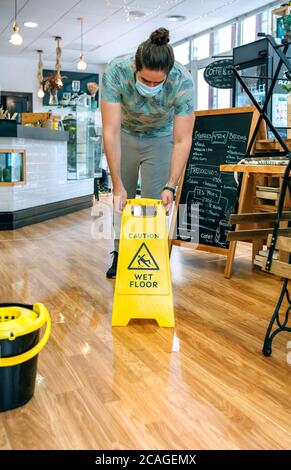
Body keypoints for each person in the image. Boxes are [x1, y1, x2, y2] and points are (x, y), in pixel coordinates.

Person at [101, 27, 195, 278]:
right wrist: (117, 184)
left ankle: (148, 255)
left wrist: (171, 185)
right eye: (145, 80)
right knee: (123, 199)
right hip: (125, 134)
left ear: (168, 74)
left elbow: (183, 139)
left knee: (155, 202)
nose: (152, 86)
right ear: (135, 66)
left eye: (158, 82)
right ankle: (121, 253)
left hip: (161, 138)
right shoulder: (116, 72)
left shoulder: (183, 81)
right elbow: (109, 132)